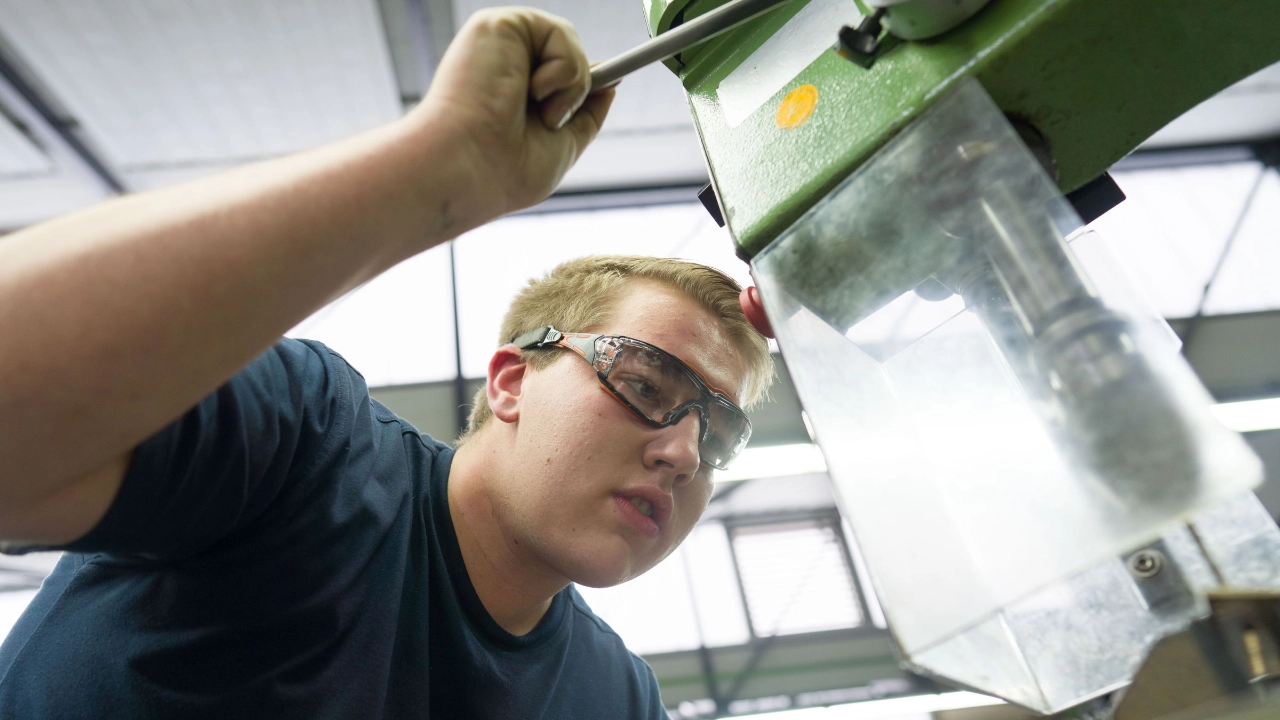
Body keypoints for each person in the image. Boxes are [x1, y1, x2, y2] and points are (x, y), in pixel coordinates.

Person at [0, 6, 773, 718]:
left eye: (717, 438)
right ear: (511, 382)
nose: (681, 453)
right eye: (643, 383)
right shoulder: (310, 451)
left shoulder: (613, 700)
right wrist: (437, 168)